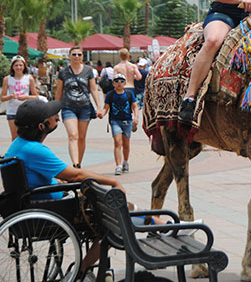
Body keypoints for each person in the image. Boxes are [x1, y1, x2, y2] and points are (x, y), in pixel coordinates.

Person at [5, 99, 167, 280]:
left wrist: (56, 180)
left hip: (39, 202)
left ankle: (161, 225)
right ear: (42, 126)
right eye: (52, 116)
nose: (56, 117)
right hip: (55, 208)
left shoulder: (18, 145)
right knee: (112, 221)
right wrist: (111, 181)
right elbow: (75, 176)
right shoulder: (35, 150)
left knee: (117, 207)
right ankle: (82, 269)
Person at [55, 46, 101, 168]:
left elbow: (93, 89)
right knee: (73, 135)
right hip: (68, 107)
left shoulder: (88, 70)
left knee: (81, 137)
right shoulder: (63, 72)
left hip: (84, 107)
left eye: (79, 54)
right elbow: (59, 92)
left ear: (82, 56)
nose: (76, 57)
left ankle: (79, 163)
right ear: (69, 56)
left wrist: (99, 106)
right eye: (74, 54)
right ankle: (75, 164)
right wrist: (54, 109)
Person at [98, 73, 139, 175]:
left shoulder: (129, 94)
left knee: (126, 144)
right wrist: (101, 114)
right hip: (115, 121)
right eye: (116, 81)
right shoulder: (110, 95)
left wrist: (136, 117)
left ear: (125, 83)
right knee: (117, 142)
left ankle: (125, 162)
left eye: (121, 81)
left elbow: (135, 106)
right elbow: (106, 108)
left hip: (127, 121)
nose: (119, 83)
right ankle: (118, 166)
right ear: (113, 83)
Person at [1, 55, 39, 140]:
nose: (18, 67)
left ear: (24, 66)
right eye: (16, 65)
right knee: (15, 137)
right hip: (12, 111)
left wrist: (26, 97)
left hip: (25, 111)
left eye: (20, 65)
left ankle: (24, 153)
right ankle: (15, 153)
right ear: (12, 67)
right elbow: (2, 98)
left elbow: (36, 96)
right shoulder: (7, 79)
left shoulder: (29, 78)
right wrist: (11, 96)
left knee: (25, 136)